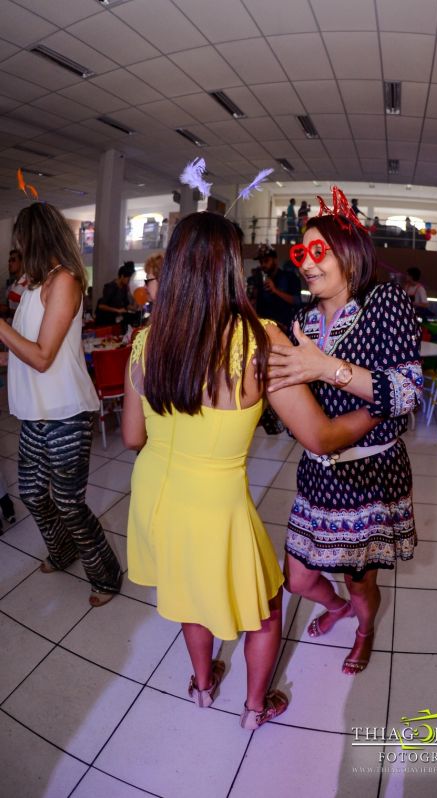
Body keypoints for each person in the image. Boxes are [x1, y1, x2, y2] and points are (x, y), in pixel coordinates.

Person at [122, 211, 378, 728]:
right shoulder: (261, 341)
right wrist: (377, 408)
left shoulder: (148, 340)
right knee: (264, 609)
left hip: (154, 494)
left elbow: (132, 437)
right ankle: (256, 707)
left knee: (189, 594)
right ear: (231, 270)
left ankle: (201, 684)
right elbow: (321, 436)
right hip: (217, 503)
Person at [266, 189, 422, 675]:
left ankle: (364, 627)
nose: (308, 265)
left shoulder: (384, 302)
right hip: (317, 471)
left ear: (349, 254)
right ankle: (333, 609)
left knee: (359, 582)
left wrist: (325, 367)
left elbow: (409, 393)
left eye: (319, 252)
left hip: (370, 473)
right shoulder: (303, 319)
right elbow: (292, 404)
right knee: (297, 576)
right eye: (301, 253)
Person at [0, 202, 122, 607]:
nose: (16, 247)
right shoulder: (34, 286)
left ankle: (105, 574)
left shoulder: (66, 281)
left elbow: (41, 356)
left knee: (69, 502)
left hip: (66, 412)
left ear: (35, 238)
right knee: (34, 494)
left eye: (21, 240)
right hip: (35, 411)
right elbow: (20, 354)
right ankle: (63, 550)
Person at [254, 247, 302, 330]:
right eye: (261, 262)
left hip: (286, 329)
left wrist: (275, 290)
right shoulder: (261, 282)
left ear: (275, 260)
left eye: (266, 261)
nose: (263, 265)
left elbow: (297, 301)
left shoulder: (290, 277)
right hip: (266, 329)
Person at [95, 261, 135, 326]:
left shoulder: (124, 288)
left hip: (115, 321)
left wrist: (134, 307)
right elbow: (101, 306)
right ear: (122, 276)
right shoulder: (111, 287)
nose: (129, 281)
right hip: (105, 321)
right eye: (128, 279)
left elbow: (126, 304)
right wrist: (117, 310)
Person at [6, 248, 28, 315]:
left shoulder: (27, 284)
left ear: (21, 263)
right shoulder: (13, 283)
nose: (10, 263)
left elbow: (26, 313)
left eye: (13, 260)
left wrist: (7, 310)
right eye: (9, 261)